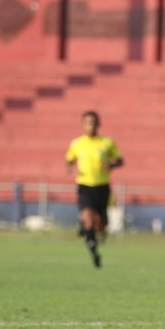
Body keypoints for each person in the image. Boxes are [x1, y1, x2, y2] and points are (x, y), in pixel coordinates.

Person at [65, 110, 124, 268]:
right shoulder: (77, 144)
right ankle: (93, 249)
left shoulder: (107, 143)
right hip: (85, 186)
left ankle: (92, 233)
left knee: (101, 223)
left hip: (102, 187)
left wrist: (111, 165)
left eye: (92, 122)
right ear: (83, 125)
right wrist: (69, 166)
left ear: (98, 124)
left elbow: (120, 160)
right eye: (87, 123)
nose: (90, 125)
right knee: (87, 216)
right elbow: (69, 160)